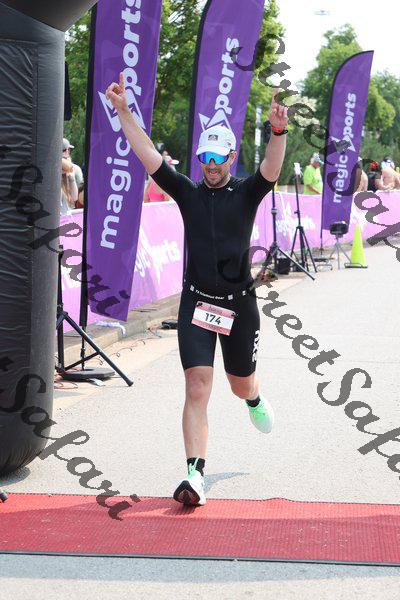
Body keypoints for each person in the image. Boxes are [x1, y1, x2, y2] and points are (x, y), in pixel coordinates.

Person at [106, 73, 288, 507]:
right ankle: (194, 475)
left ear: (230, 157)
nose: (210, 164)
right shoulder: (188, 193)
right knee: (197, 385)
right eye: (204, 156)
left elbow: (271, 168)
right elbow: (149, 155)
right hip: (198, 303)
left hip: (239, 305)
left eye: (218, 157)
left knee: (239, 385)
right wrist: (124, 111)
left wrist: (278, 131)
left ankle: (254, 397)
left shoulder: (246, 193)